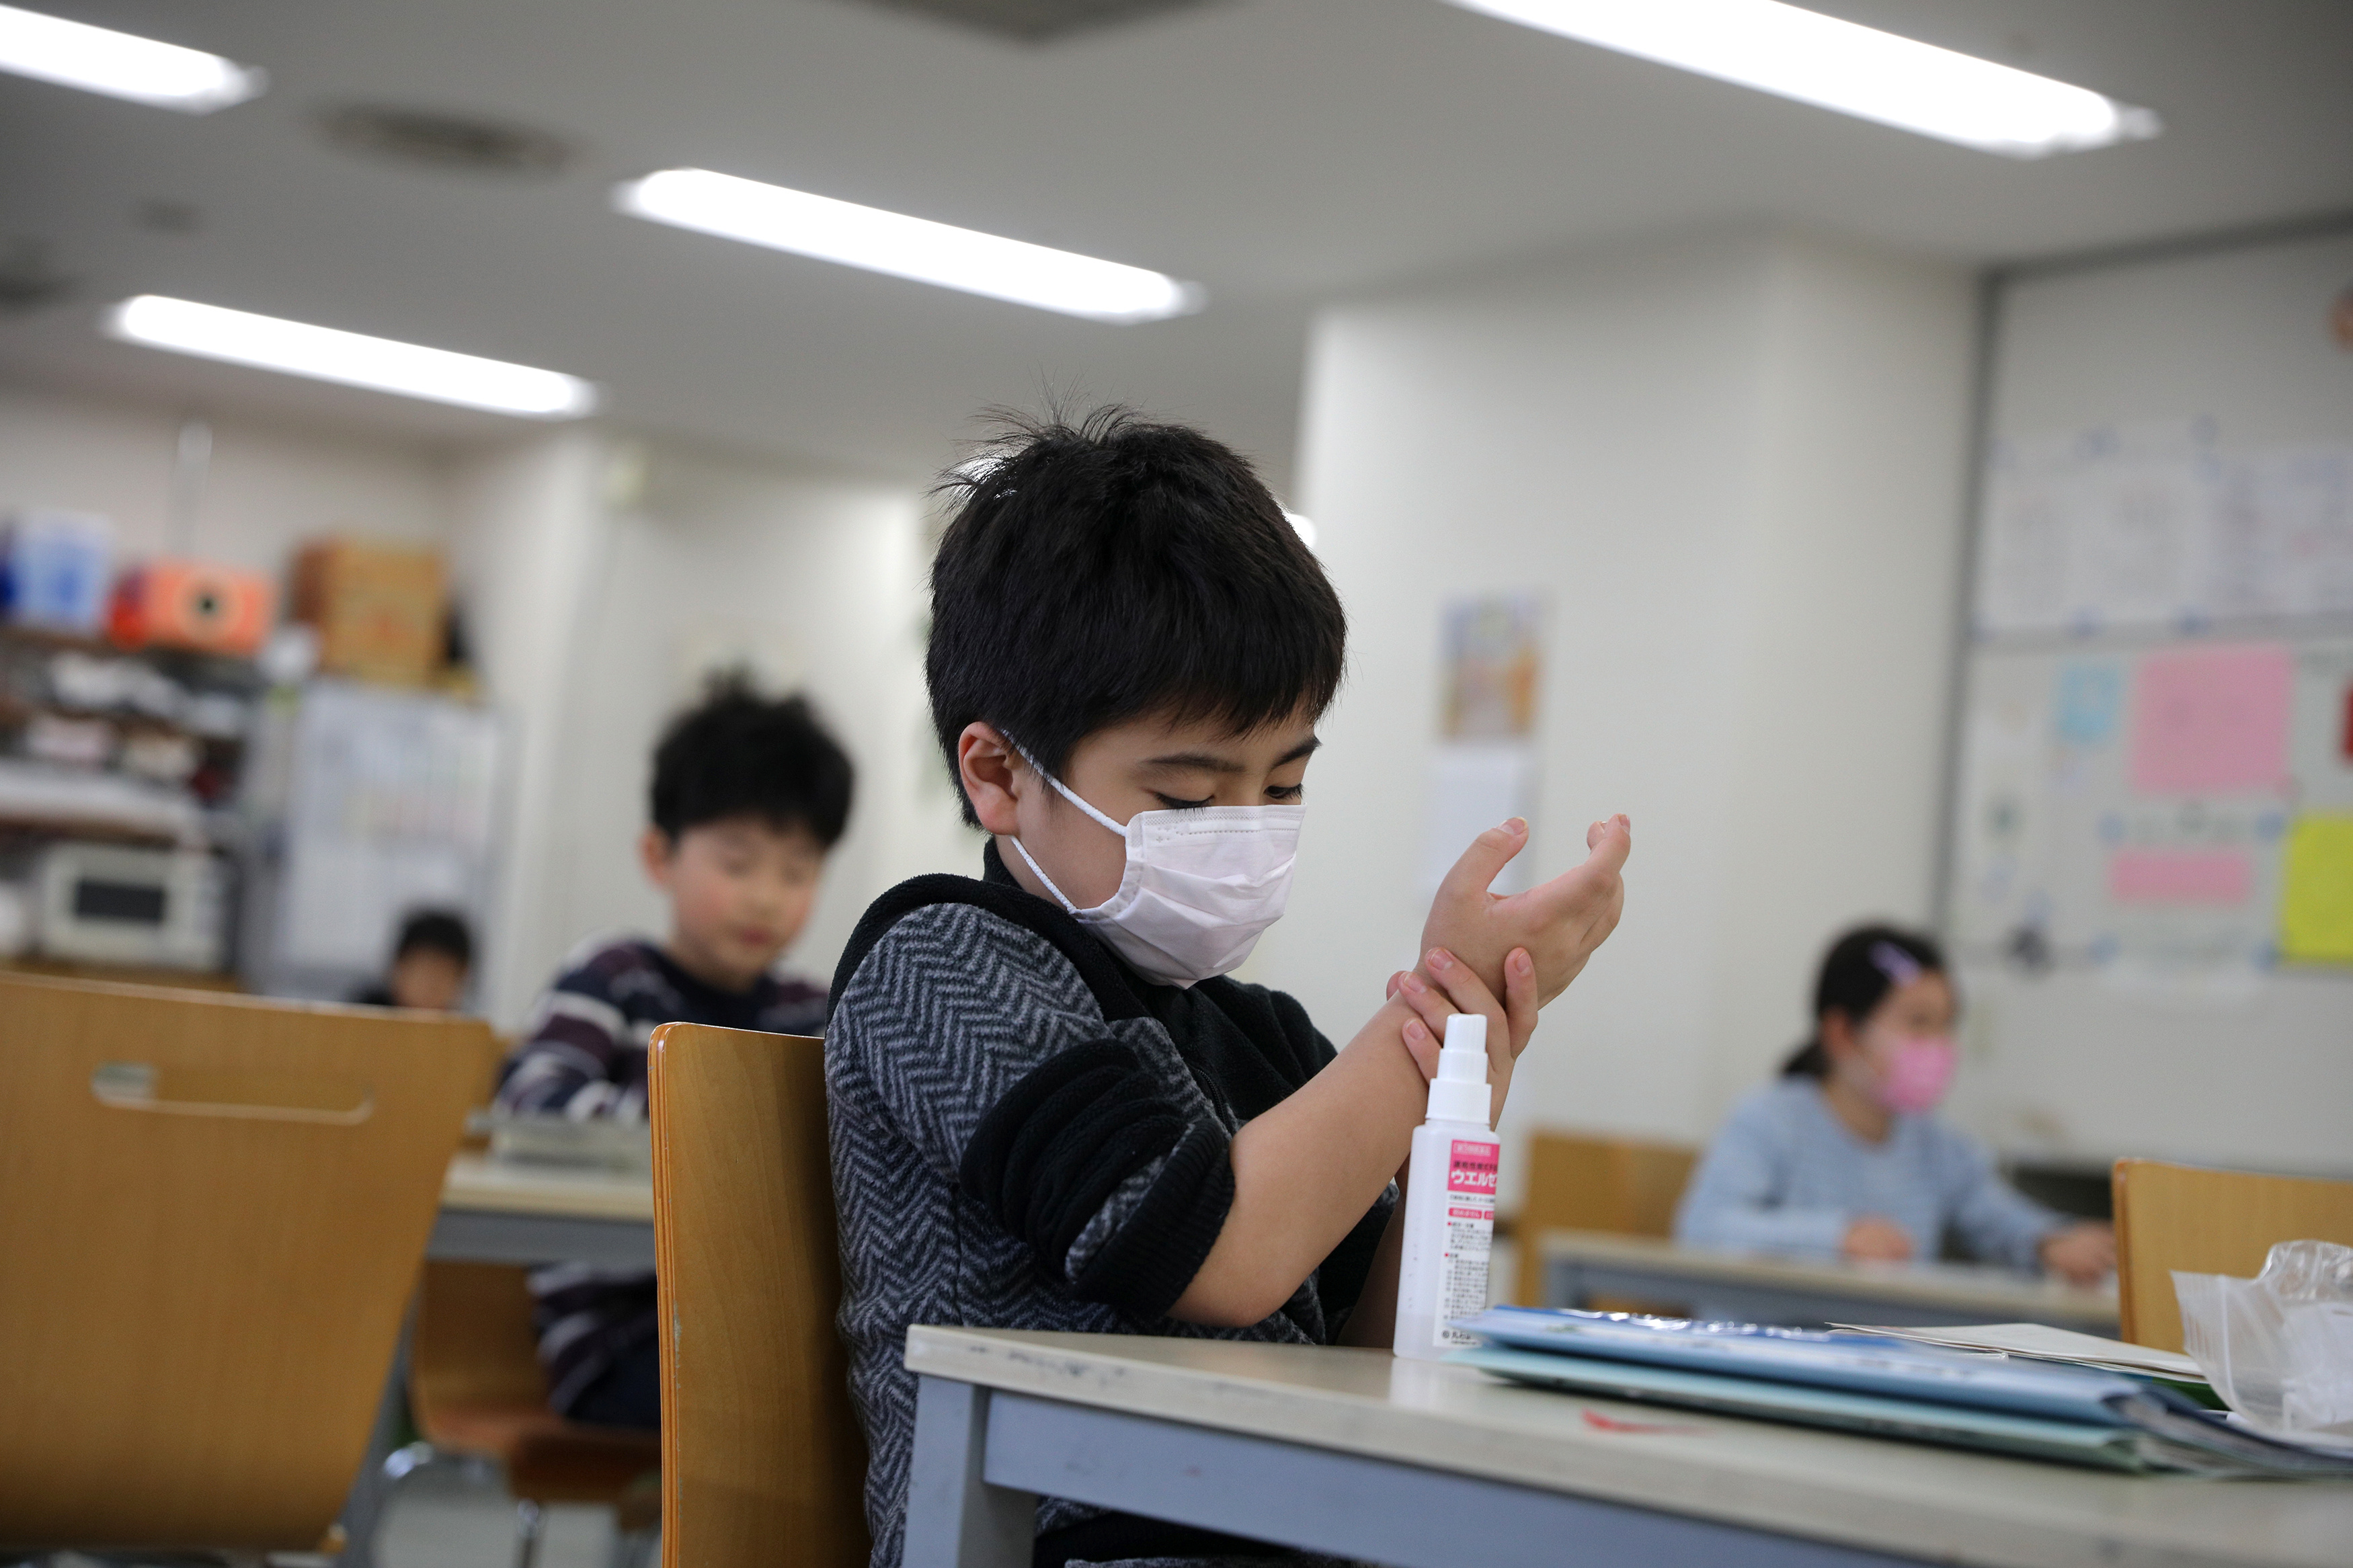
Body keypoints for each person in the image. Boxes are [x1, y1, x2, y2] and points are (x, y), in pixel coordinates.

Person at [826, 407, 1633, 1568]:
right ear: (999, 772)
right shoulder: (943, 962)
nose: (1247, 833)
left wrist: (1470, 1057)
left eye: (1285, 784)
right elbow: (1214, 1251)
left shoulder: (1258, 1036)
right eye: (1194, 797)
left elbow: (1371, 1356)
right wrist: (1427, 1017)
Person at [495, 675, 854, 1430]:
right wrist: (730, 1127)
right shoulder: (612, 980)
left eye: (796, 870)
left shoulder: (813, 1011)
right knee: (788, 1410)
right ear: (659, 855)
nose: (766, 895)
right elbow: (534, 1106)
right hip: (617, 1336)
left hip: (760, 1320)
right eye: (737, 862)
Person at [1674, 923, 2114, 1286]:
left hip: (1886, 1362)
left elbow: (1999, 1219)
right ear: (1842, 1032)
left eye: (1947, 1024)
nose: (1939, 1045)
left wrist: (2051, 1242)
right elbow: (1704, 1229)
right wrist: (1838, 1237)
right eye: (1918, 1022)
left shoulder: (1936, 1144)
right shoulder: (1769, 1119)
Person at [350, 908, 473, 1012]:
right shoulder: (361, 1015)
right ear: (397, 968)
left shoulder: (467, 1032)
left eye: (443, 975)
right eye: (424, 972)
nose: (430, 988)